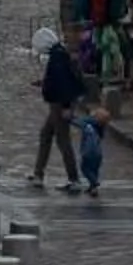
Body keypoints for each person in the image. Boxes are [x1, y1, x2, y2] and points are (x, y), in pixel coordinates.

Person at [30, 27, 86, 192]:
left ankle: (73, 178)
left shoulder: (58, 57)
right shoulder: (59, 54)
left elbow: (63, 83)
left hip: (60, 103)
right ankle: (38, 173)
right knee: (46, 134)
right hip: (59, 101)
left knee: (63, 140)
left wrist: (67, 106)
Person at [78, 106, 108, 197]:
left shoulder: (88, 125)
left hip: (88, 151)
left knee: (84, 168)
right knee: (94, 170)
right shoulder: (100, 129)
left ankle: (94, 183)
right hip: (98, 153)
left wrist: (69, 119)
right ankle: (93, 188)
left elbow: (80, 121)